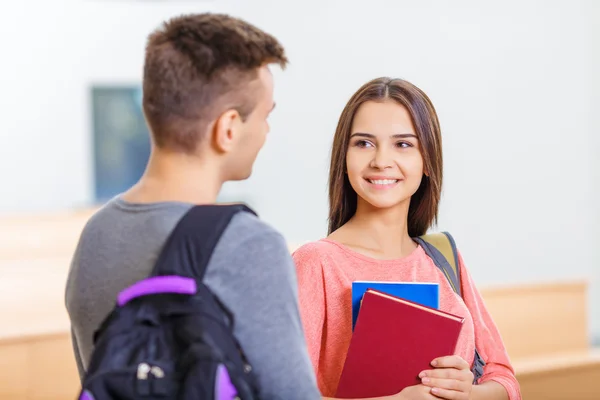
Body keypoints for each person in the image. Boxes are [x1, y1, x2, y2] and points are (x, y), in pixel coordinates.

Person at [65, 13, 321, 400]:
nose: (267, 131)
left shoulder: (96, 234)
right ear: (228, 129)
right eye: (266, 116)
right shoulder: (248, 245)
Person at [292, 77, 521, 400]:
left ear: (427, 161)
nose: (381, 161)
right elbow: (277, 393)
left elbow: (505, 381)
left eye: (403, 144)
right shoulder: (315, 263)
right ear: (344, 158)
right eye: (364, 143)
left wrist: (465, 392)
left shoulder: (442, 258)